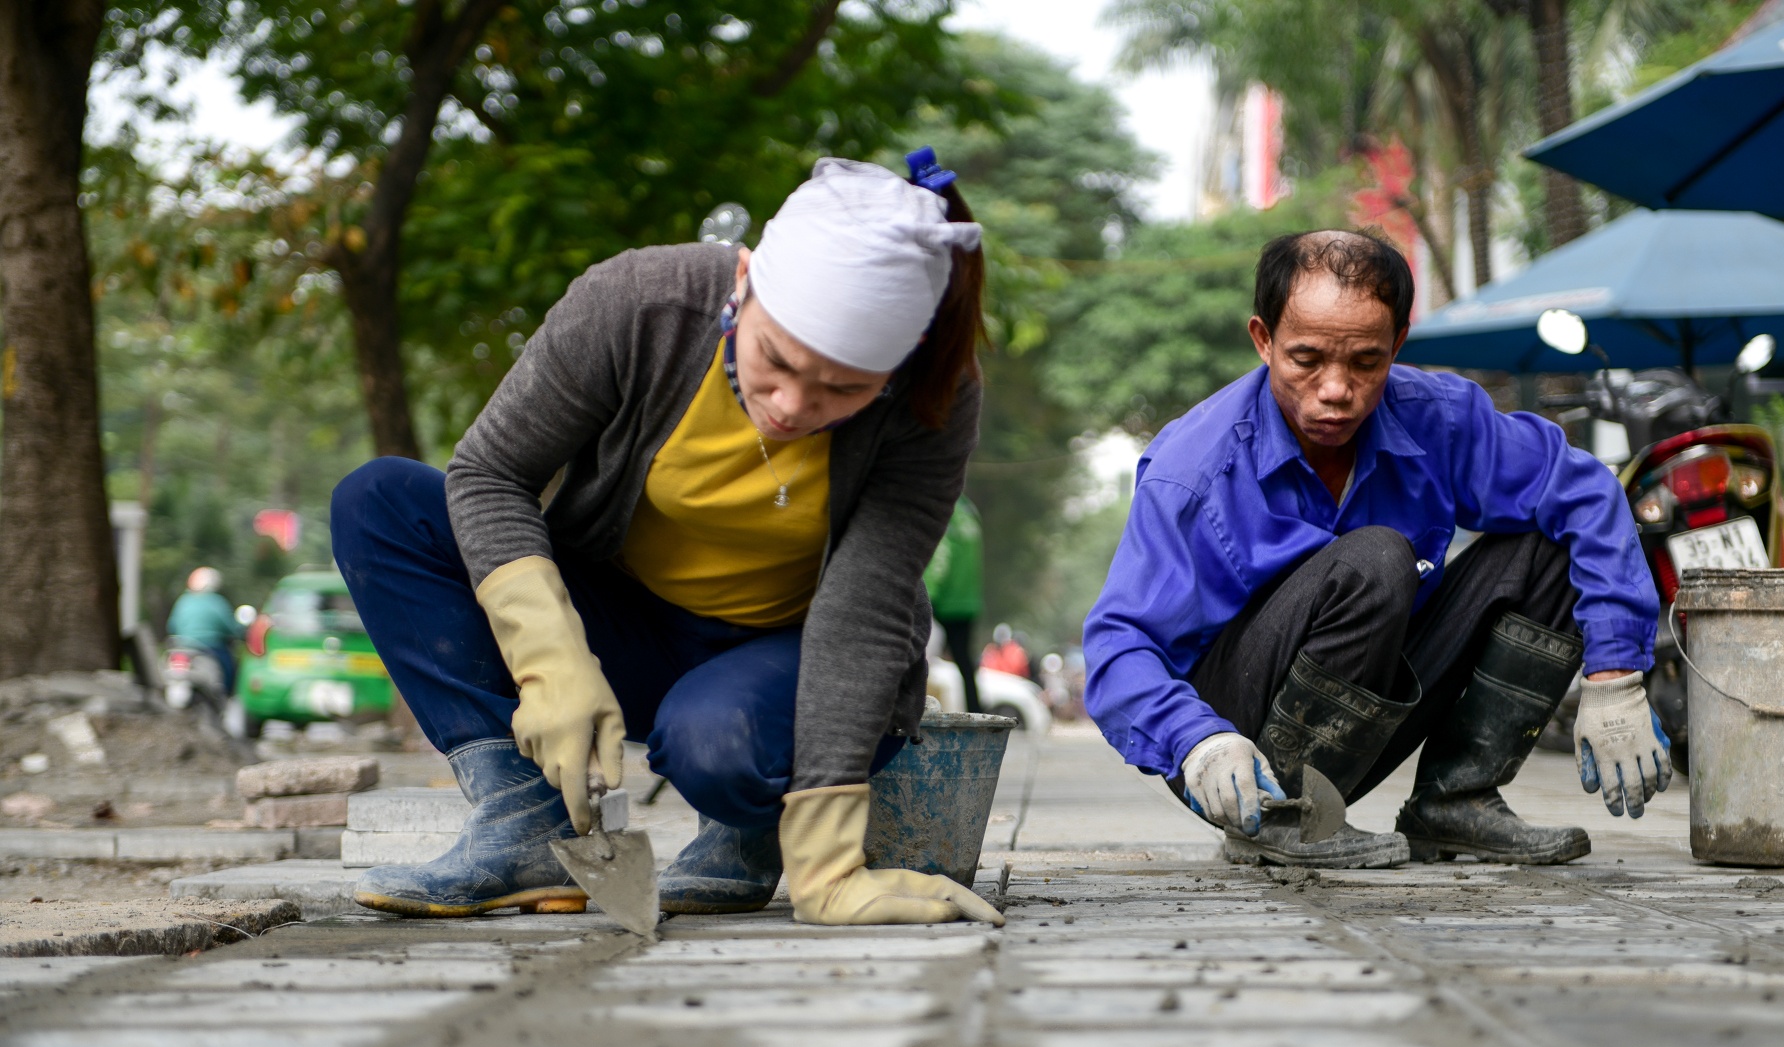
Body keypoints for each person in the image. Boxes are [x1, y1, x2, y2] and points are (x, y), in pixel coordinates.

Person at [330, 152, 1003, 926]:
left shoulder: (934, 397)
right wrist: (550, 659)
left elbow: (864, 610)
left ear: (897, 366)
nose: (791, 406)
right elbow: (488, 474)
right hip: (622, 619)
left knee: (717, 744)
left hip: (786, 659)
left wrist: (828, 869)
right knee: (381, 501)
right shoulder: (640, 305)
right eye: (775, 362)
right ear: (744, 282)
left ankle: (755, 830)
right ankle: (522, 822)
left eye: (842, 391)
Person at [1083, 230, 1669, 870]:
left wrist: (1615, 676)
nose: (1335, 389)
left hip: (1374, 702)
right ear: (1263, 340)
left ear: (1396, 345)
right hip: (1236, 750)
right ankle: (1284, 820)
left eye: (1365, 362)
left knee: (1547, 546)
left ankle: (1456, 798)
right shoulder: (1193, 472)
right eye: (1306, 359)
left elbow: (1584, 490)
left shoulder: (1439, 416)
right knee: (1377, 560)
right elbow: (1117, 647)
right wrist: (1197, 741)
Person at [923, 493, 985, 712]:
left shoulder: (942, 506)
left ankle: (911, 710)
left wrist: (928, 595)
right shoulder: (968, 509)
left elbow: (941, 557)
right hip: (967, 600)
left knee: (917, 655)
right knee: (965, 663)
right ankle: (977, 710)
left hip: (943, 600)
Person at [167, 567, 245, 691]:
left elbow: (171, 626)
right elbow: (231, 628)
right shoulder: (217, 602)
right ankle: (225, 695)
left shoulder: (183, 601)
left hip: (181, 647)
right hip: (210, 649)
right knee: (230, 669)